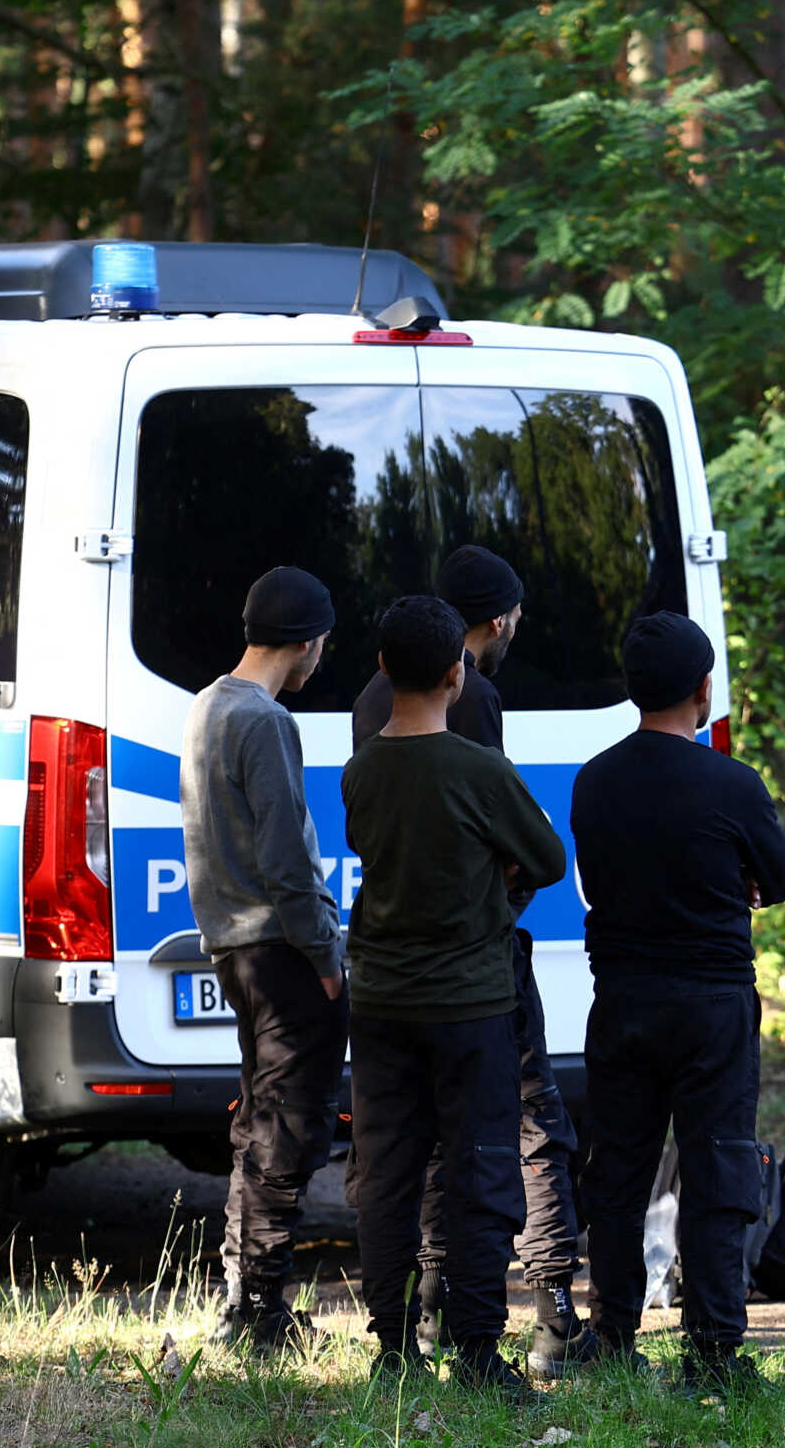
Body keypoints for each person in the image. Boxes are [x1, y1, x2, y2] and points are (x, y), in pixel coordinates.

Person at [351, 544, 595, 1375]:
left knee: (387, 1171)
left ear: (384, 668)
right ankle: (478, 1347)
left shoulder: (360, 771)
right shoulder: (479, 766)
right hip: (470, 996)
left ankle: (392, 1345)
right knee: (482, 1163)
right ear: (459, 672)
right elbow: (547, 855)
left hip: (380, 994)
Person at [572, 613, 785, 1390]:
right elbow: (784, 877)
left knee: (618, 1173)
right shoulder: (732, 783)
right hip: (714, 1002)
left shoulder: (593, 779)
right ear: (704, 691)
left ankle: (611, 1335)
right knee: (717, 1166)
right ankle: (712, 1349)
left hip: (623, 998)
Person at [179, 565, 348, 1355]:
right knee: (289, 1127)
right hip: (284, 949)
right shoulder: (268, 723)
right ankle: (260, 1311)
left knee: (258, 1119)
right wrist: (324, 953)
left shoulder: (206, 706)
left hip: (231, 947)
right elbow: (287, 858)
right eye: (323, 646)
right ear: (308, 641)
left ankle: (242, 1297)